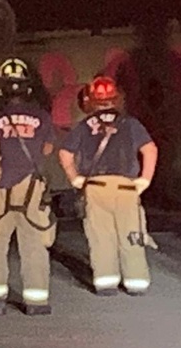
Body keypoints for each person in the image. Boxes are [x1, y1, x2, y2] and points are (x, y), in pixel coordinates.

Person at [58, 75, 157, 295]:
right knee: (132, 234)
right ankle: (136, 282)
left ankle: (105, 282)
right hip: (125, 188)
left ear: (90, 100)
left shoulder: (84, 125)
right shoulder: (130, 124)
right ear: (116, 98)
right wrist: (145, 179)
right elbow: (149, 149)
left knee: (101, 236)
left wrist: (75, 178)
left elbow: (65, 153)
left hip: (95, 187)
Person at [0, 58, 57, 316]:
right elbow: (47, 149)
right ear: (28, 88)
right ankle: (37, 301)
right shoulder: (42, 117)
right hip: (31, 188)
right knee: (34, 243)